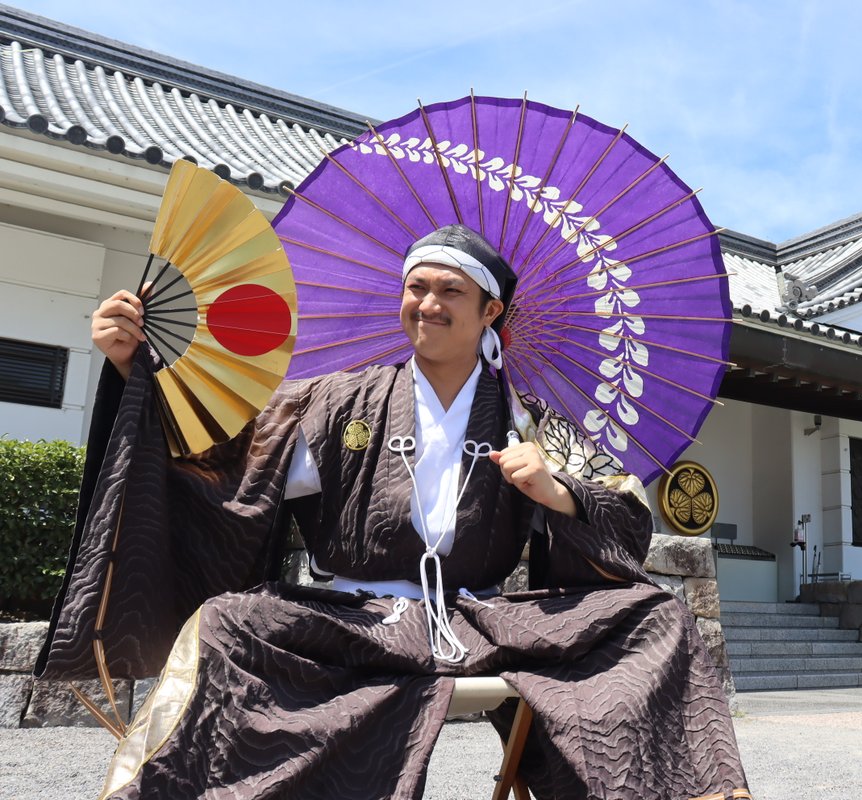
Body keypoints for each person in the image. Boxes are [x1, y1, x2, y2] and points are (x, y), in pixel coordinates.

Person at [37, 224, 751, 800]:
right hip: (355, 620)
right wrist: (138, 370)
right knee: (226, 622)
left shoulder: (533, 422)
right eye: (416, 288)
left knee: (656, 616)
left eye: (449, 291)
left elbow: (624, 520)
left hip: (480, 621)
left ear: (490, 311)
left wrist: (556, 493)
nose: (427, 304)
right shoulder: (335, 399)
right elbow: (225, 464)